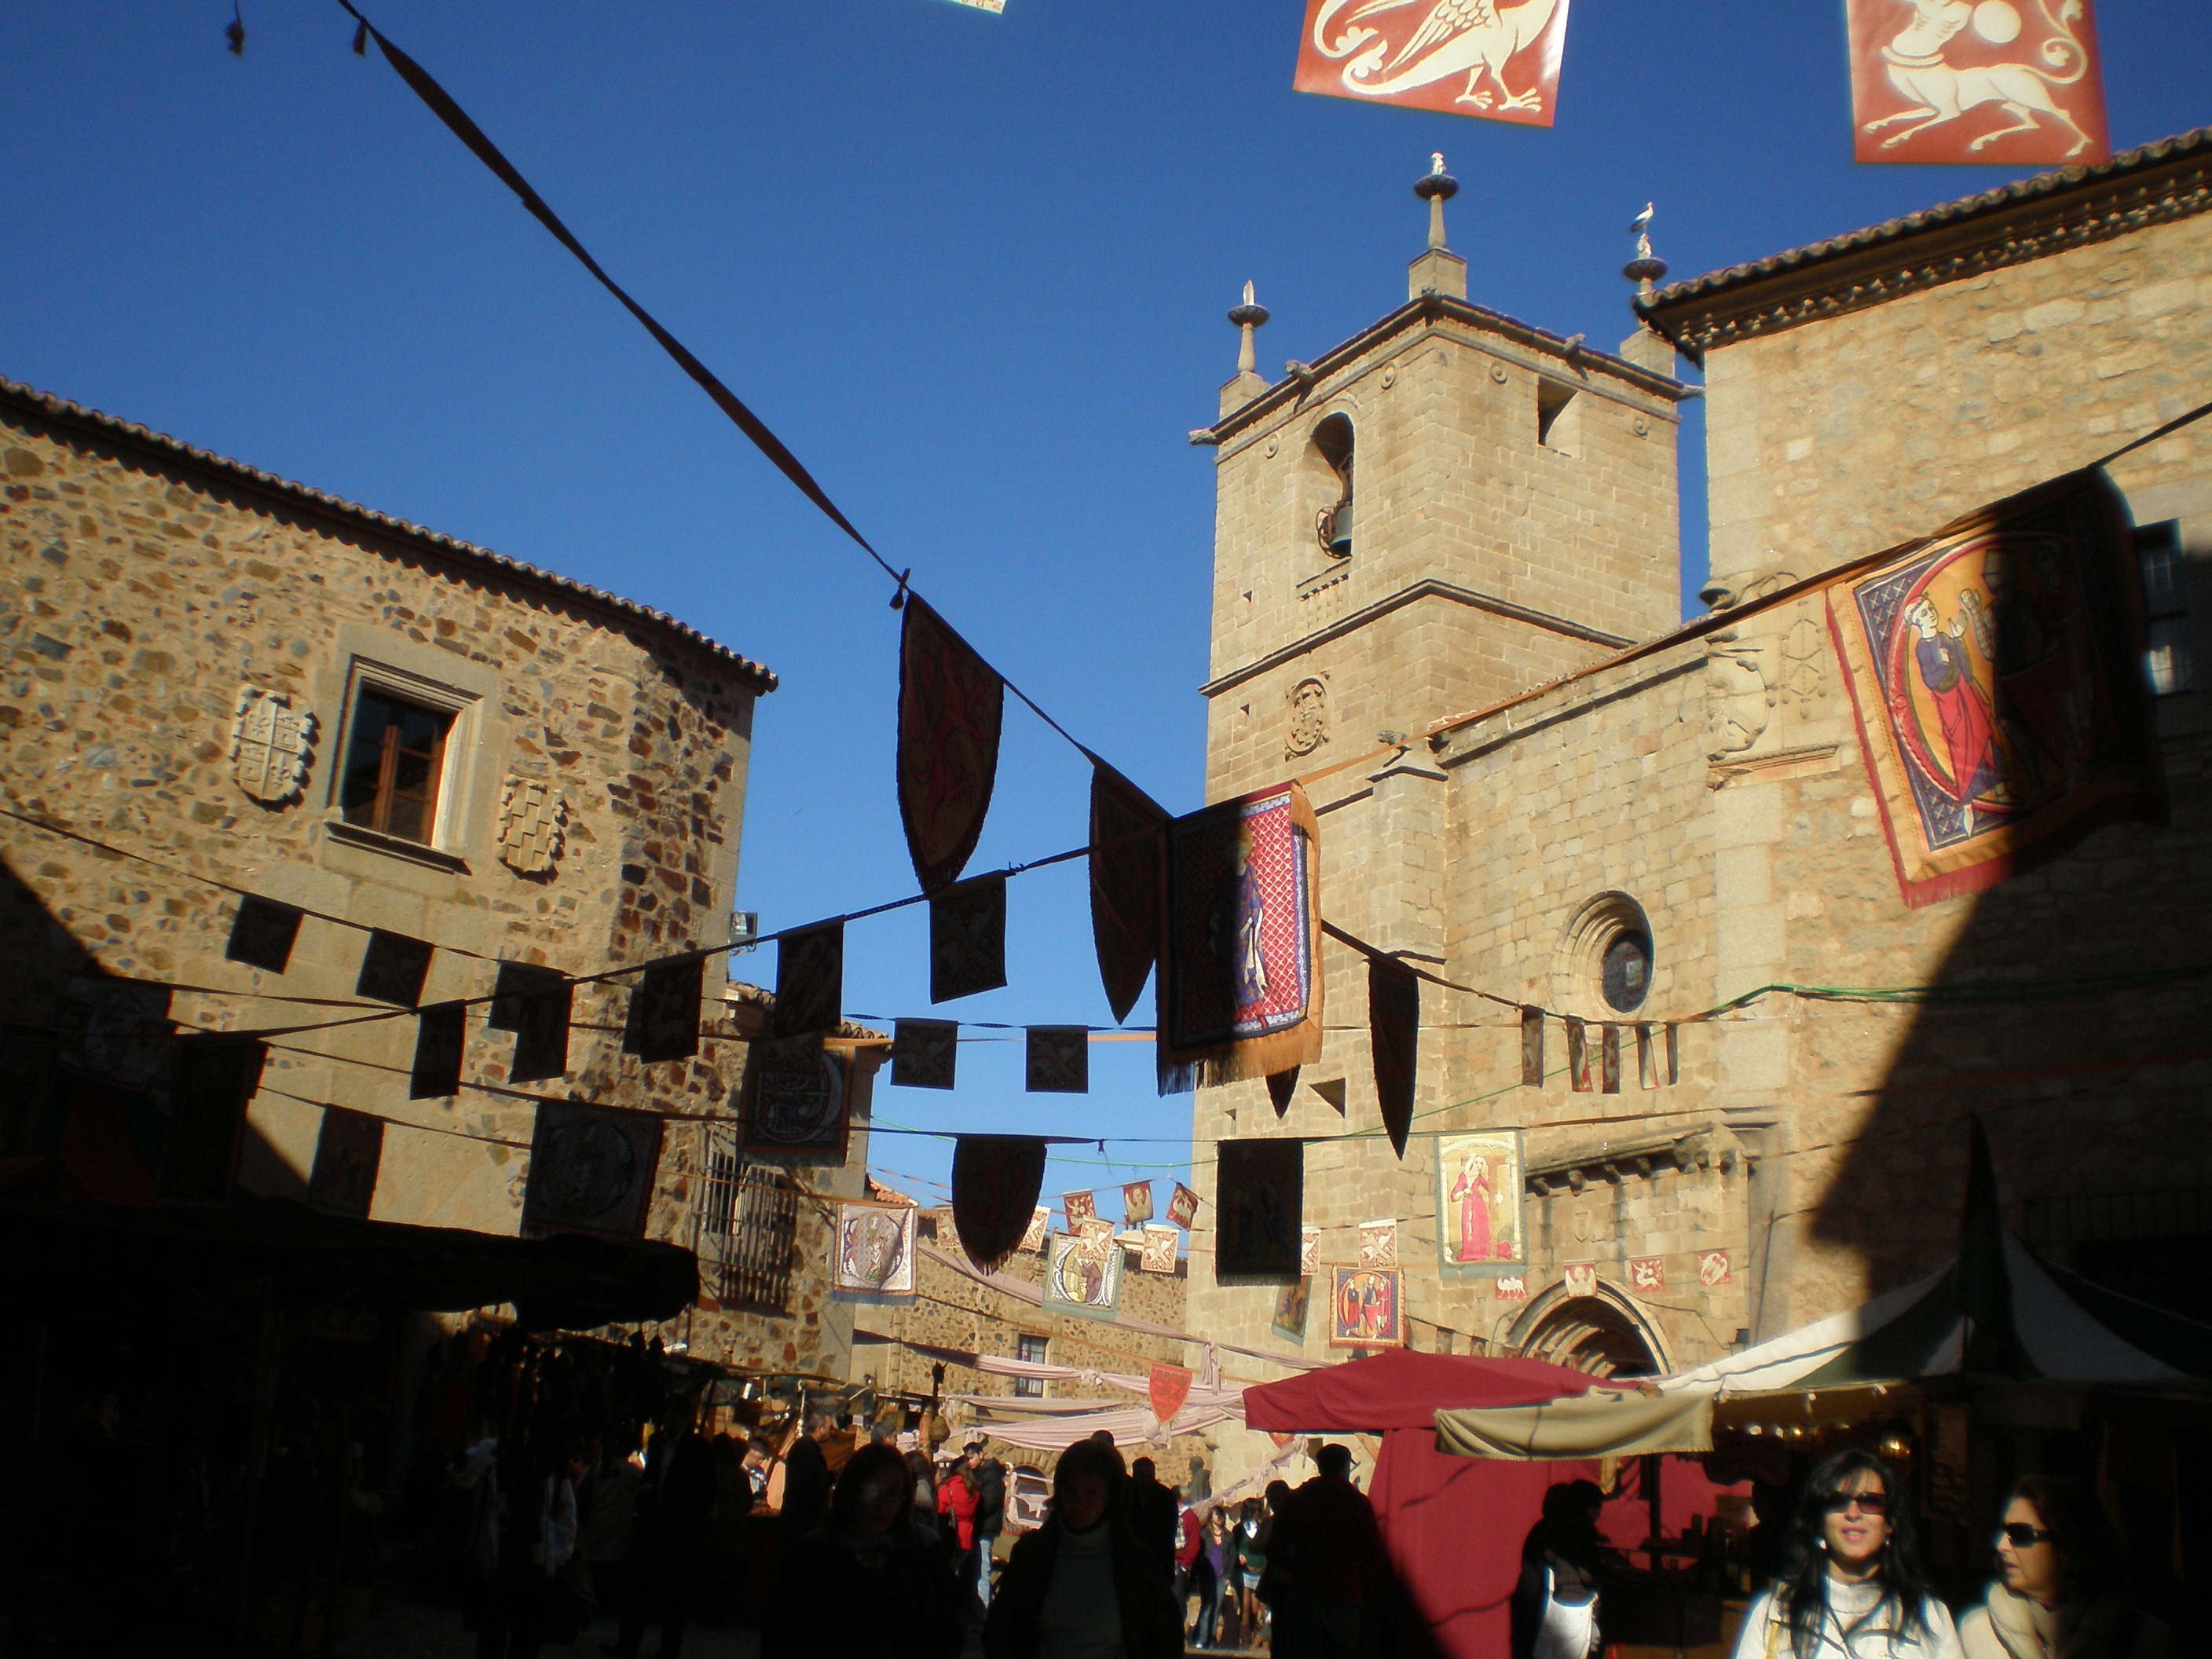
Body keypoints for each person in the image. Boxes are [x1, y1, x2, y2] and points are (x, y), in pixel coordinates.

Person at [1727, 1448, 1961, 1659]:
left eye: (1870, 1501)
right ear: (1819, 1523)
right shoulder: (1776, 1613)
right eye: (1837, 1501)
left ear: (1890, 1522)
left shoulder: (1929, 1617)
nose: (1853, 1513)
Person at [983, 1437, 1183, 1659]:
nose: (1079, 1504)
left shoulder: (1138, 1564)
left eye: (1091, 1493)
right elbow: (1001, 1631)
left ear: (1110, 1497)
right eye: (1071, 1492)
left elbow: (1166, 1637)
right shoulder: (1033, 1556)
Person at [763, 1441, 963, 1659]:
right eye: (871, 1490)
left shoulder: (925, 1551)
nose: (882, 1504)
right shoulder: (813, 1554)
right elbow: (784, 1632)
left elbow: (947, 1624)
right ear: (852, 1492)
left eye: (893, 1493)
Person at [1957, 1473, 2176, 1659]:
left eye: (2020, 1534)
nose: (2001, 1546)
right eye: (2004, 1531)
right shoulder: (1979, 1630)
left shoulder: (2144, 1638)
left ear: (2070, 1547)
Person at [612, 1403, 718, 1659]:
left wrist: (690, 1518)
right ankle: (628, 1643)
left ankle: (669, 1648)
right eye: (667, 1421)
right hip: (653, 1520)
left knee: (674, 1590)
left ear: (685, 1421)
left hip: (679, 1526)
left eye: (673, 1421)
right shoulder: (657, 1442)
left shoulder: (699, 1448)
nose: (668, 1426)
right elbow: (652, 1474)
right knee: (639, 1585)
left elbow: (707, 1489)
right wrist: (645, 1490)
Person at [1265, 1444, 1382, 1659]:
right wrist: (1357, 1578)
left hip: (1305, 1594)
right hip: (1344, 1595)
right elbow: (1373, 1553)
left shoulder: (1297, 1500)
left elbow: (1274, 1549)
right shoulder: (1357, 1503)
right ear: (1345, 1467)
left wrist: (1299, 1569)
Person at [1513, 1479, 1607, 1659]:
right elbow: (1588, 1576)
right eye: (1598, 1508)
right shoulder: (1579, 1532)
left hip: (1545, 1608)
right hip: (1573, 1608)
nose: (1599, 1513)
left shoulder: (1546, 1530)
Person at [780, 1409, 835, 1539]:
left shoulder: (810, 1449)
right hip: (801, 1523)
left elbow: (814, 1479)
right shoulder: (805, 1449)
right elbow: (802, 1485)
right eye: (830, 1428)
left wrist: (830, 1476)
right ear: (820, 1429)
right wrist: (817, 1510)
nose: (832, 1431)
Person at [1127, 1457, 1180, 1577]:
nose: (1146, 1479)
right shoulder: (1128, 1495)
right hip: (1133, 1559)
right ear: (1134, 1475)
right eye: (1141, 1475)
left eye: (1149, 1475)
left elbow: (1169, 1528)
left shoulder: (1165, 1497)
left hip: (1160, 1557)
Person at [972, 1441, 1008, 1612]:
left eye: (971, 1457)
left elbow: (988, 1503)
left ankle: (983, 1611)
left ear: (980, 1455)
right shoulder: (983, 1474)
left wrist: (972, 1509)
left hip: (984, 1529)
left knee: (982, 1571)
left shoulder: (990, 1476)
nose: (969, 1461)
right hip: (982, 1528)